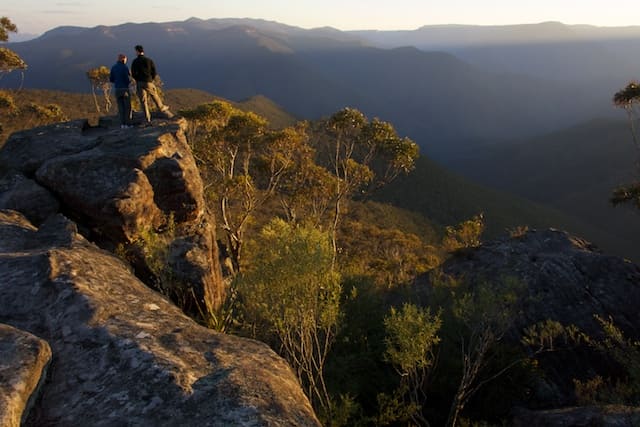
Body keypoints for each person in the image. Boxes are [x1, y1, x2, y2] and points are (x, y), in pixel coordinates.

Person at [130, 44, 173, 123]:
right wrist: (151, 79)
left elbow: (133, 73)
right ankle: (161, 107)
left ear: (137, 51)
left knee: (143, 101)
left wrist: (137, 79)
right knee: (154, 95)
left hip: (139, 83)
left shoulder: (135, 61)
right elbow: (154, 71)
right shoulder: (148, 60)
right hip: (148, 81)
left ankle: (147, 118)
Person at [109, 53, 132, 128]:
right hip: (125, 89)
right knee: (127, 107)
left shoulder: (113, 67)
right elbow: (127, 78)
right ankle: (128, 123)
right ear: (123, 59)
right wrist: (128, 82)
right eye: (125, 59)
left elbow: (111, 79)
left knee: (121, 107)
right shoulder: (124, 67)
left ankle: (123, 124)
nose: (126, 61)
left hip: (117, 89)